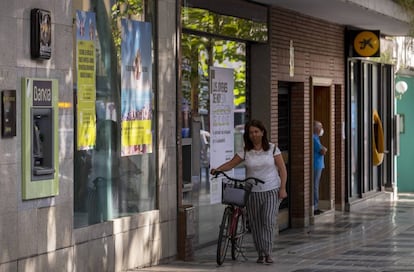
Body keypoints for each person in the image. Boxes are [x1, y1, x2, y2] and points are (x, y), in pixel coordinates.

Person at [211, 119, 287, 264]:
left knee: (268, 221)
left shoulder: (272, 148)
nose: (254, 135)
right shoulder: (246, 151)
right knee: (256, 223)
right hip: (252, 191)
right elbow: (231, 164)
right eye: (251, 132)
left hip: (271, 189)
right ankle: (260, 253)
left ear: (262, 132)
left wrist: (282, 188)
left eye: (256, 132)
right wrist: (218, 169)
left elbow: (283, 170)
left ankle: (268, 253)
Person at [313, 121, 327, 215]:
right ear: (316, 128)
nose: (322, 129)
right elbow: (322, 150)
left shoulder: (316, 138)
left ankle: (315, 205)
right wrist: (324, 149)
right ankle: (315, 206)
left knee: (315, 185)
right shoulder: (313, 138)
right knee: (315, 186)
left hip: (318, 164)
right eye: (320, 127)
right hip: (316, 165)